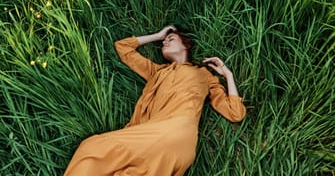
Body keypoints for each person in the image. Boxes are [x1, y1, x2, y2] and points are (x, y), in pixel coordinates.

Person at [64, 25, 247, 175]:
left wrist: (228, 74)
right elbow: (123, 47)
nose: (165, 42)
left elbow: (235, 112)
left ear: (186, 45)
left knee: (93, 148)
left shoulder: (204, 75)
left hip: (177, 133)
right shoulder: (156, 72)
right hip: (149, 135)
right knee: (95, 153)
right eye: (164, 41)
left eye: (171, 39)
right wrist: (157, 35)